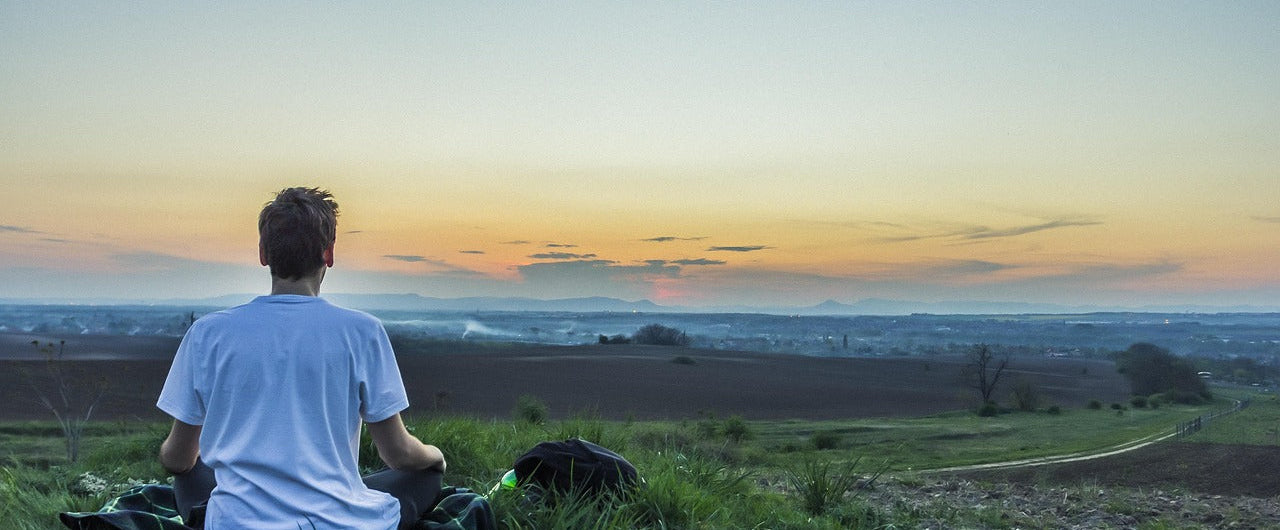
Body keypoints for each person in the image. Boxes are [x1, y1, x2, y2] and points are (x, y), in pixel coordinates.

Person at [157, 187, 446, 529]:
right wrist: (435, 456)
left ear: (263, 254)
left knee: (190, 474)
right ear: (329, 254)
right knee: (425, 475)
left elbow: (177, 459)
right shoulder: (363, 332)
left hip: (238, 521)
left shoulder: (208, 333)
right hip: (338, 522)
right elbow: (398, 454)